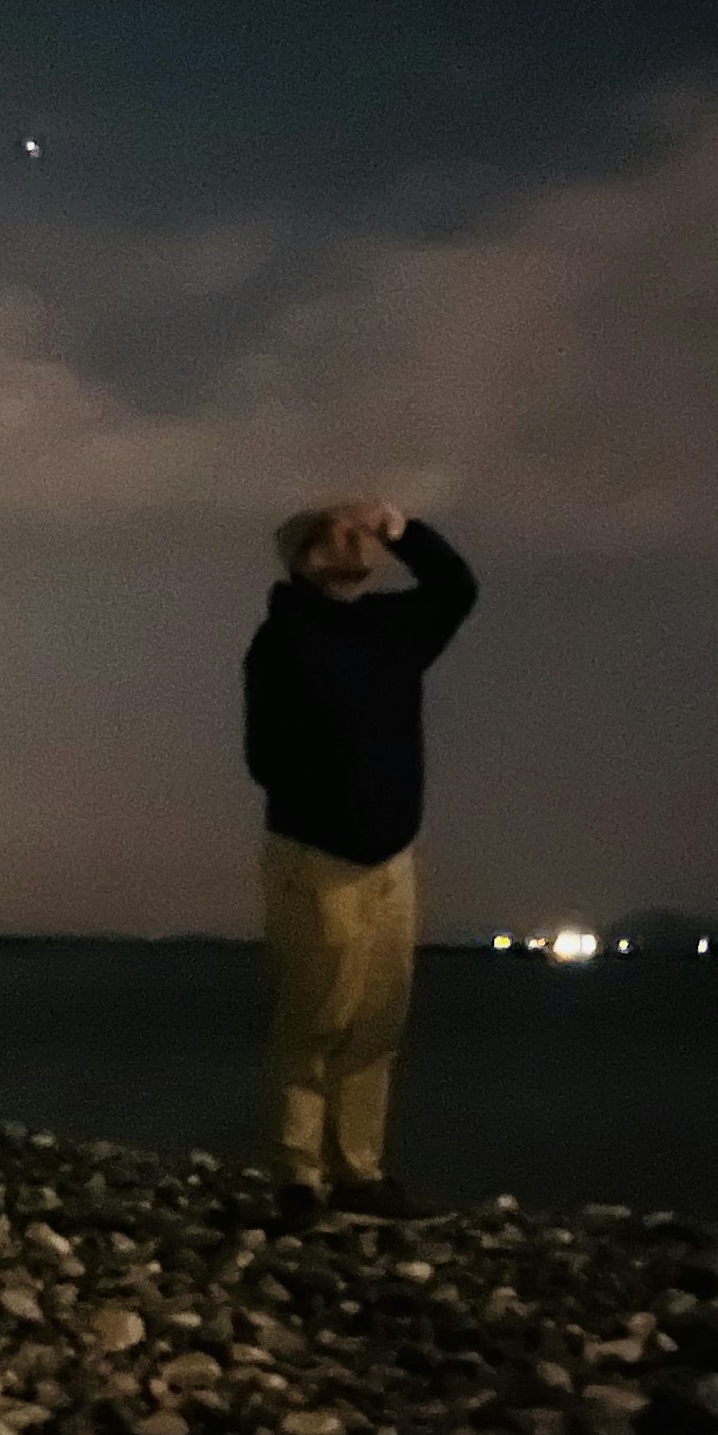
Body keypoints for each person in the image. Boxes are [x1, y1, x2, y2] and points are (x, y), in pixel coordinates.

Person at [242, 496, 478, 1231]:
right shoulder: (283, 638)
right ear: (307, 557)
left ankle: (359, 1173)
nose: (357, 542)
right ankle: (298, 1179)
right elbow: (265, 756)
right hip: (317, 856)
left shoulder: (392, 629)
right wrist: (330, 807)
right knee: (315, 1021)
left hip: (392, 857)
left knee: (378, 1021)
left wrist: (404, 529)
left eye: (361, 533)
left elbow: (457, 590)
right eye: (339, 535)